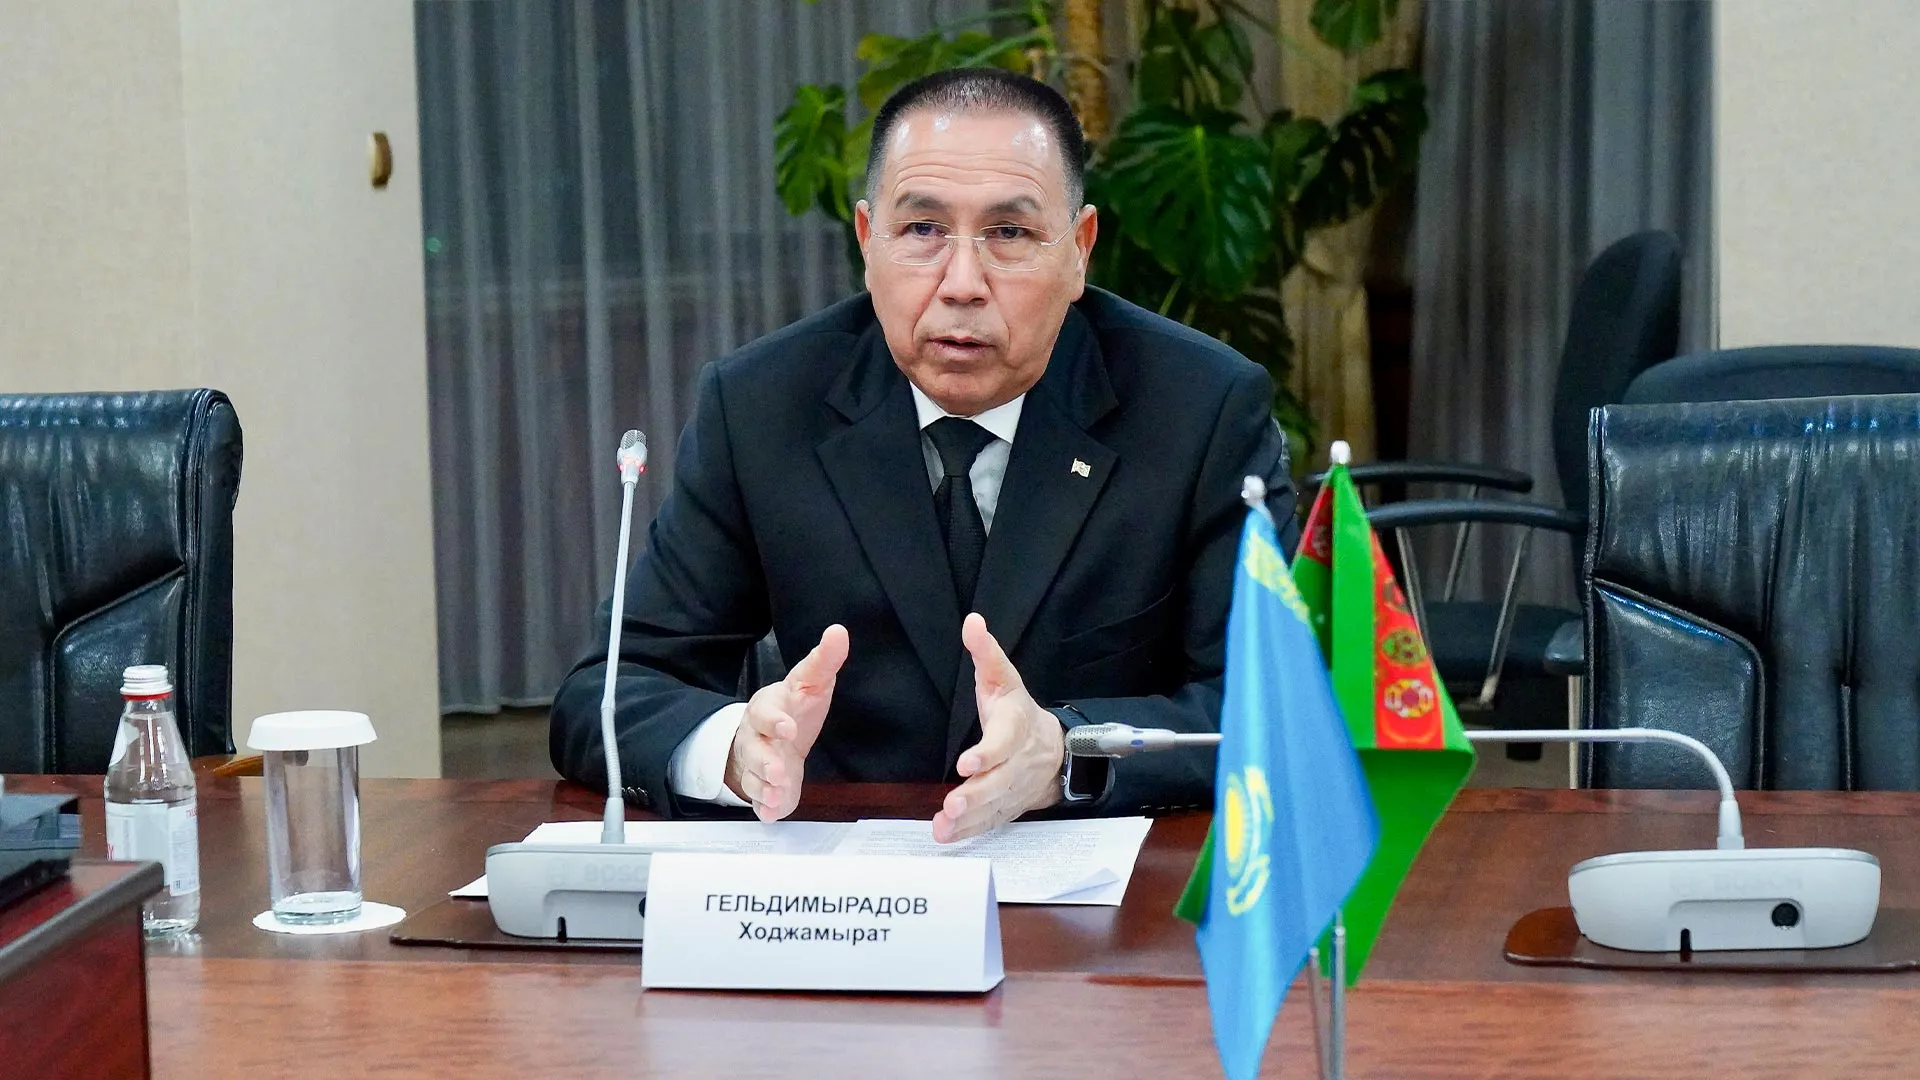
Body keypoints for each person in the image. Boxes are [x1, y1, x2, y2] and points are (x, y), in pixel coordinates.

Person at [551, 67, 1295, 843]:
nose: (962, 284)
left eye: (1009, 234)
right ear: (868, 242)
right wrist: (735, 750)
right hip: (842, 880)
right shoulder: (762, 407)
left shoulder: (1200, 410)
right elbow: (609, 690)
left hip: (1111, 884)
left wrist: (1064, 753)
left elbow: (1272, 707)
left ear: (1079, 251)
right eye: (922, 231)